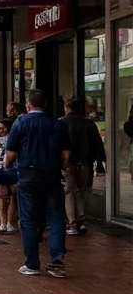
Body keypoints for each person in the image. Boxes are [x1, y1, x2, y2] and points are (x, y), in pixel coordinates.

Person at [4, 89, 72, 277]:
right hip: (51, 175)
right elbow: (66, 155)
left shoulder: (21, 122)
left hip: (28, 175)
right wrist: (63, 168)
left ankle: (32, 263)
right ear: (45, 104)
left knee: (28, 219)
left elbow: (11, 153)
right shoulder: (57, 124)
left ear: (28, 104)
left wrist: (5, 169)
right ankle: (57, 260)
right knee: (57, 218)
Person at [60, 97, 105, 235]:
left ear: (67, 108)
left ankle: (72, 223)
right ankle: (82, 221)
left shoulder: (61, 122)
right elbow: (98, 144)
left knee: (69, 192)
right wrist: (99, 162)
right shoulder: (89, 124)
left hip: (68, 163)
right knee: (82, 191)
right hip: (85, 163)